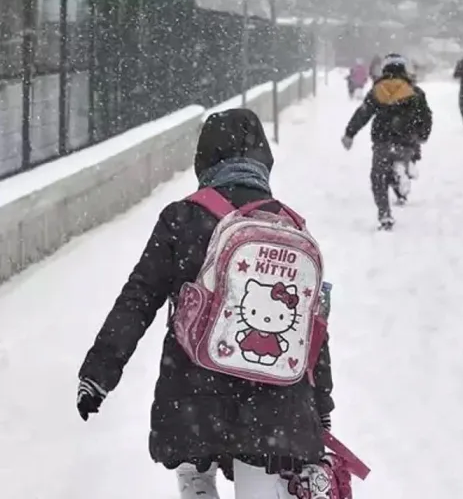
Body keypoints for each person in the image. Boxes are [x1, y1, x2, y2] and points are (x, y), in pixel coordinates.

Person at [75, 108, 335, 498]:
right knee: (263, 480)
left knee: (194, 462)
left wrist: (98, 373)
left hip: (194, 394)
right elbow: (311, 328)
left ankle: (196, 480)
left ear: (204, 159)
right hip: (275, 404)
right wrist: (321, 404)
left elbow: (139, 297)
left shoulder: (182, 218)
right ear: (263, 160)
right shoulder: (290, 227)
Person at [341, 53, 433, 230]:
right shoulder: (415, 92)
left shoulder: (377, 90)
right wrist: (423, 135)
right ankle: (405, 171)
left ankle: (385, 215)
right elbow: (426, 117)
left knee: (378, 177)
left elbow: (363, 113)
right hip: (407, 141)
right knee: (400, 162)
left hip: (382, 141)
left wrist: (349, 134)